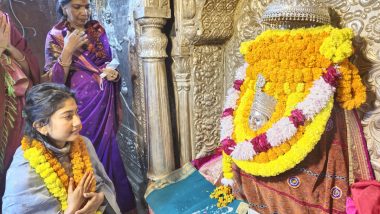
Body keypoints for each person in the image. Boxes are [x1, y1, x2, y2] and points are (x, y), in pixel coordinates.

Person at [43, 0, 135, 212]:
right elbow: (53, 83)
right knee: (83, 153)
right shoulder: (56, 35)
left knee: (110, 152)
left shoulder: (96, 29)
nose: (84, 12)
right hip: (80, 108)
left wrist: (114, 73)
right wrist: (67, 50)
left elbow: (108, 62)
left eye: (87, 6)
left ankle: (119, 206)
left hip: (104, 104)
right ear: (63, 7)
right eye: (77, 7)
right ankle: (89, 205)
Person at [2, 82, 121, 214]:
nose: (78, 123)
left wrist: (100, 199)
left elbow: (102, 185)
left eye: (77, 113)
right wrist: (72, 209)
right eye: (68, 116)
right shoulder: (25, 168)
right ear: (41, 126)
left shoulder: (83, 144)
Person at [0, 10, 40, 182]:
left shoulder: (3, 20)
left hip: (17, 107)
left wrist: (7, 47)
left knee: (18, 170)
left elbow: (29, 67)